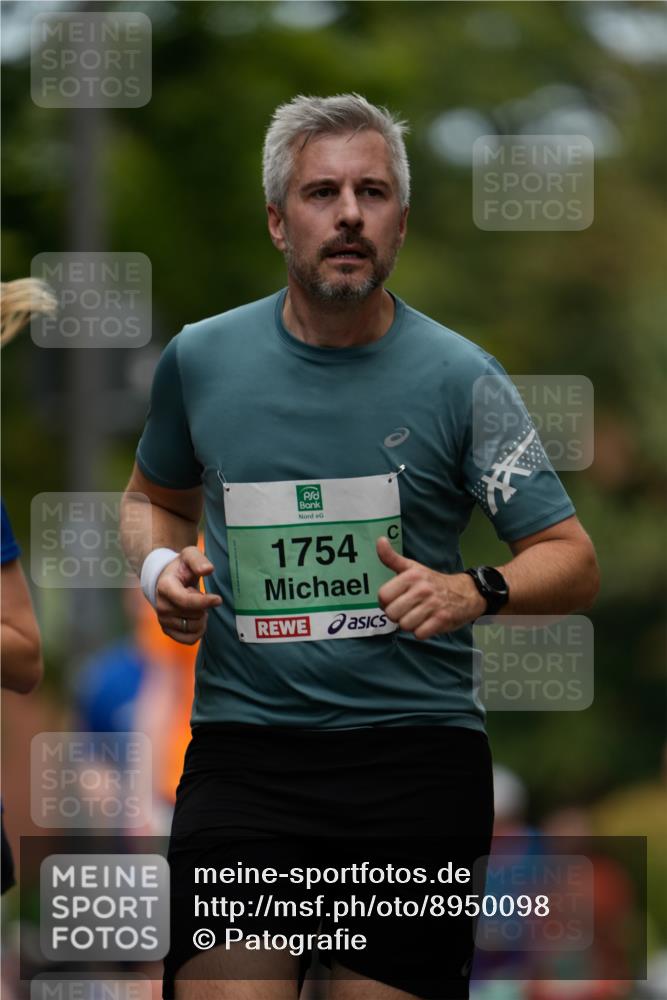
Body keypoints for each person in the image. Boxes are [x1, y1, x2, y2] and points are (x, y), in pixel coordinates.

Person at [120, 94, 599, 1000]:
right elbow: (151, 501)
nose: (348, 213)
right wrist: (160, 569)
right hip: (245, 757)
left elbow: (570, 557)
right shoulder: (200, 360)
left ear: (401, 222)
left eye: (372, 192)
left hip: (411, 765)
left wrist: (474, 590)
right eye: (322, 192)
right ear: (276, 220)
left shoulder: (464, 379)